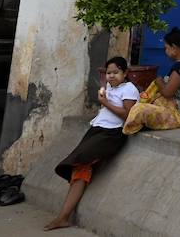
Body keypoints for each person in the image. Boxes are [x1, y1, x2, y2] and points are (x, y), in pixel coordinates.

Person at [43, 56, 139, 231]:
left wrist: (105, 103)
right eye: (109, 73)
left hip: (112, 134)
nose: (111, 76)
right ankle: (63, 216)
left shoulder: (130, 89)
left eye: (116, 72)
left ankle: (63, 216)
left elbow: (128, 116)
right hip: (97, 130)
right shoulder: (109, 87)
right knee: (79, 167)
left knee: (80, 163)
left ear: (125, 73)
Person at [122, 27, 180, 134]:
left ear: (174, 48)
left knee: (139, 109)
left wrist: (159, 82)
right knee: (148, 99)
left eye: (166, 48)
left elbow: (167, 93)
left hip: (176, 115)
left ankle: (128, 129)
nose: (165, 51)